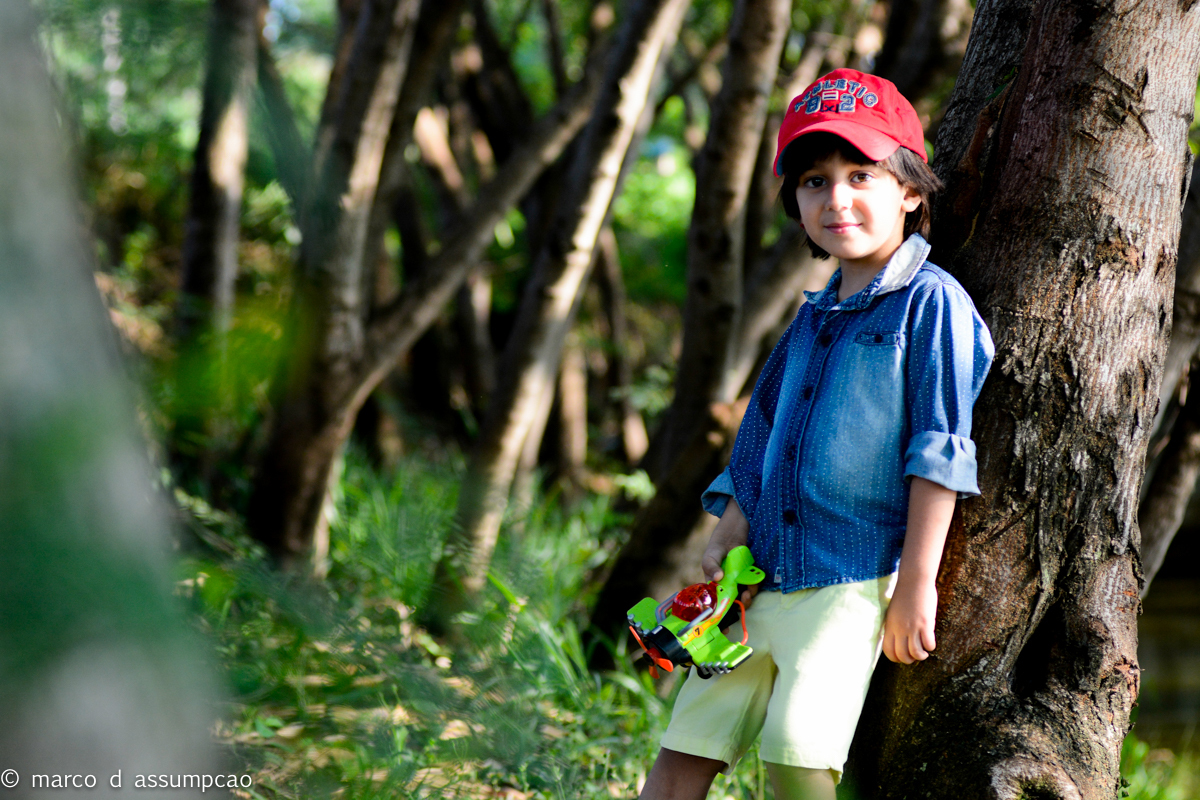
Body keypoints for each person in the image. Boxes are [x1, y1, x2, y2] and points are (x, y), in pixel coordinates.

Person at [637, 69, 995, 800]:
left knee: (798, 755)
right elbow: (761, 433)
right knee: (685, 745)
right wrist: (729, 528)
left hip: (849, 581)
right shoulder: (810, 316)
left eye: (862, 175)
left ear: (910, 190)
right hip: (757, 583)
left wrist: (916, 585)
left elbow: (939, 453)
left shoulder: (931, 306)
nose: (836, 198)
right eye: (813, 181)